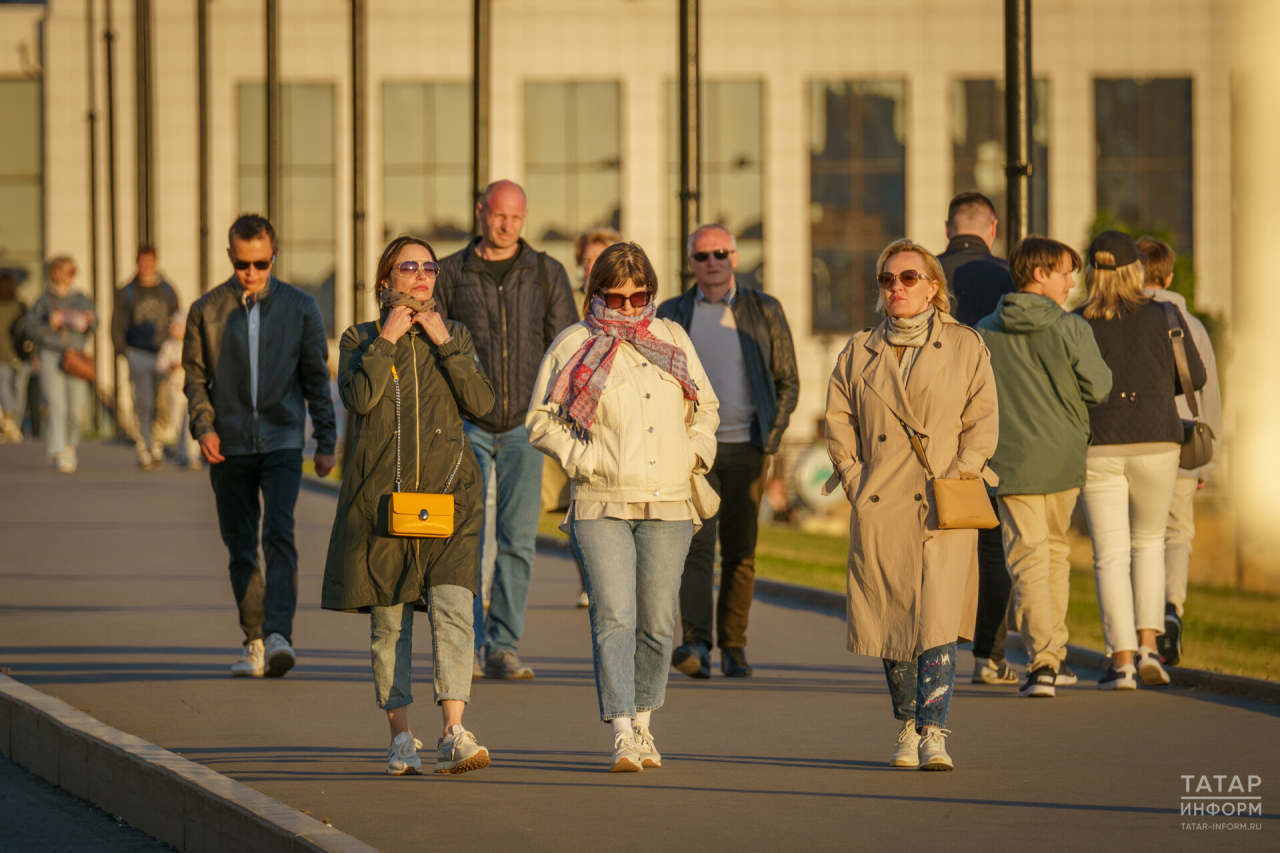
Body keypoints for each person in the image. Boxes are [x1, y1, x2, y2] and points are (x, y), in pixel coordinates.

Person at [527, 241, 719, 772]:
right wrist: (584, 460)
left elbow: (706, 407)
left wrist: (695, 454)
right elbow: (540, 420)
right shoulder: (575, 342)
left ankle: (644, 722)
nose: (630, 307)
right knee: (614, 617)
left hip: (670, 501)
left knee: (657, 622)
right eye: (617, 296)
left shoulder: (672, 337)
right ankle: (621, 731)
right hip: (601, 500)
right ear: (597, 293)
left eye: (641, 296)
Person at [322, 236, 495, 776]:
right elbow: (359, 399)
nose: (421, 275)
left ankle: (453, 731)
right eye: (408, 266)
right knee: (390, 623)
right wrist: (388, 340)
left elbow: (483, 405)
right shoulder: (360, 337)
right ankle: (401, 738)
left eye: (429, 266)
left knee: (453, 609)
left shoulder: (457, 335)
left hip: (451, 496)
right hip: (384, 503)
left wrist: (445, 341)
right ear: (386, 279)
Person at [825, 238, 998, 771]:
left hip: (942, 501)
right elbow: (837, 420)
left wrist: (963, 473)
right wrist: (856, 480)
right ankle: (906, 723)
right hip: (883, 502)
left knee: (938, 618)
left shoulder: (966, 345)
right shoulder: (859, 350)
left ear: (933, 287)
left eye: (907, 278)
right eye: (887, 279)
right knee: (893, 617)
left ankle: (934, 730)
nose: (895, 288)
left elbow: (983, 418)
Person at [435, 180, 578, 680]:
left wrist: (555, 415)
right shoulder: (450, 272)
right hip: (467, 425)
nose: (508, 225)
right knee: (467, 539)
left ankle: (504, 646)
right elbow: (434, 346)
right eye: (499, 215)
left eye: (517, 217)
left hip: (524, 427)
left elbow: (567, 349)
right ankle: (468, 645)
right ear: (480, 213)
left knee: (518, 539)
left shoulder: (546, 273)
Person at [182, 215, 337, 678]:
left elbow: (316, 377)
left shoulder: (300, 306)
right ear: (231, 256)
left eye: (262, 262)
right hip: (227, 443)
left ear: (275, 255)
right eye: (245, 262)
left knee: (280, 534)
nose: (253, 272)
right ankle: (252, 638)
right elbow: (194, 377)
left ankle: (278, 636)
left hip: (283, 438)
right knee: (241, 545)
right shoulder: (205, 309)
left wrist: (326, 440)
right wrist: (204, 427)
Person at [657, 223, 799, 678]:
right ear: (691, 263)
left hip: (749, 447)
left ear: (735, 258)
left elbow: (787, 381)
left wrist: (770, 438)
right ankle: (696, 643)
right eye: (702, 255)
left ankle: (734, 647)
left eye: (720, 253)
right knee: (696, 547)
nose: (712, 261)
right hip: (695, 452)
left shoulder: (765, 309)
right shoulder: (672, 313)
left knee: (741, 551)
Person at [976, 236, 1112, 698]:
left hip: (1012, 462)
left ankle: (1044, 662)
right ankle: (1051, 656)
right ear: (1039, 273)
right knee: (1053, 554)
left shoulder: (984, 331)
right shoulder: (1070, 328)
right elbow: (1099, 387)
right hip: (1063, 458)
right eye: (1064, 272)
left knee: (1028, 558)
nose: (1072, 282)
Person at [1074, 230, 1206, 690]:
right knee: (1149, 542)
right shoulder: (1165, 314)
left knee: (1110, 554)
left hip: (1099, 442)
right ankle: (1151, 646)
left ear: (1092, 271)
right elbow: (1197, 374)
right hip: (1157, 439)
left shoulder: (1077, 322)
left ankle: (1123, 661)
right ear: (1136, 269)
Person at [937, 191, 1019, 686]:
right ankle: (990, 655)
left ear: (949, 228)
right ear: (992, 228)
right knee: (992, 544)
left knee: (934, 542)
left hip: (929, 429)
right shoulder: (1009, 277)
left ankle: (932, 643)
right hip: (992, 427)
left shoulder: (922, 275)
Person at [1136, 236, 1222, 667]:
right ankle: (1172, 607)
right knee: (1177, 535)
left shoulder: (1125, 316)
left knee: (1139, 538)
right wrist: (1210, 456)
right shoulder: (1192, 324)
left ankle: (1144, 625)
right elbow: (1211, 396)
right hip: (1185, 444)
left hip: (1135, 442)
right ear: (1169, 275)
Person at [544, 226, 628, 610]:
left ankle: (613, 581)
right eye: (589, 259)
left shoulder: (631, 304)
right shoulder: (568, 302)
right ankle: (591, 580)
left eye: (603, 256)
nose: (595, 264)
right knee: (580, 502)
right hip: (574, 417)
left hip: (617, 418)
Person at [112, 245, 180, 470]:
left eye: (149, 262)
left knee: (162, 405)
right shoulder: (127, 291)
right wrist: (125, 352)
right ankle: (144, 449)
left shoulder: (168, 290)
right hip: (138, 353)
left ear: (156, 262)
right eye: (142, 262)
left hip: (163, 355)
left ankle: (158, 444)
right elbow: (116, 325)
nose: (145, 267)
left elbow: (178, 320)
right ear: (136, 263)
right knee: (143, 402)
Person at [26, 256, 96, 473]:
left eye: (74, 271)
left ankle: (69, 445)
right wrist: (50, 323)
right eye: (68, 270)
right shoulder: (44, 299)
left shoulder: (82, 298)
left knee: (76, 409)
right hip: (50, 354)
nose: (71, 275)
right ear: (55, 272)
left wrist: (89, 320)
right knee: (57, 405)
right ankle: (58, 450)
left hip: (75, 356)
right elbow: (29, 327)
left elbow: (97, 324)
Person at [155, 309, 202, 470]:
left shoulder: (194, 344)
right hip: (174, 391)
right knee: (176, 423)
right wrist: (170, 367)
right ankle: (181, 453)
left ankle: (192, 454)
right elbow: (160, 366)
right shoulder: (168, 346)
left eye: (176, 326)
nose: (173, 329)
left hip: (192, 390)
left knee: (192, 423)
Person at [0, 272, 31, 443]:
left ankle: (11, 421)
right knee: (19, 389)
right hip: (21, 354)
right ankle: (15, 424)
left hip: (2, 354)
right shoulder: (21, 306)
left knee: (4, 387)